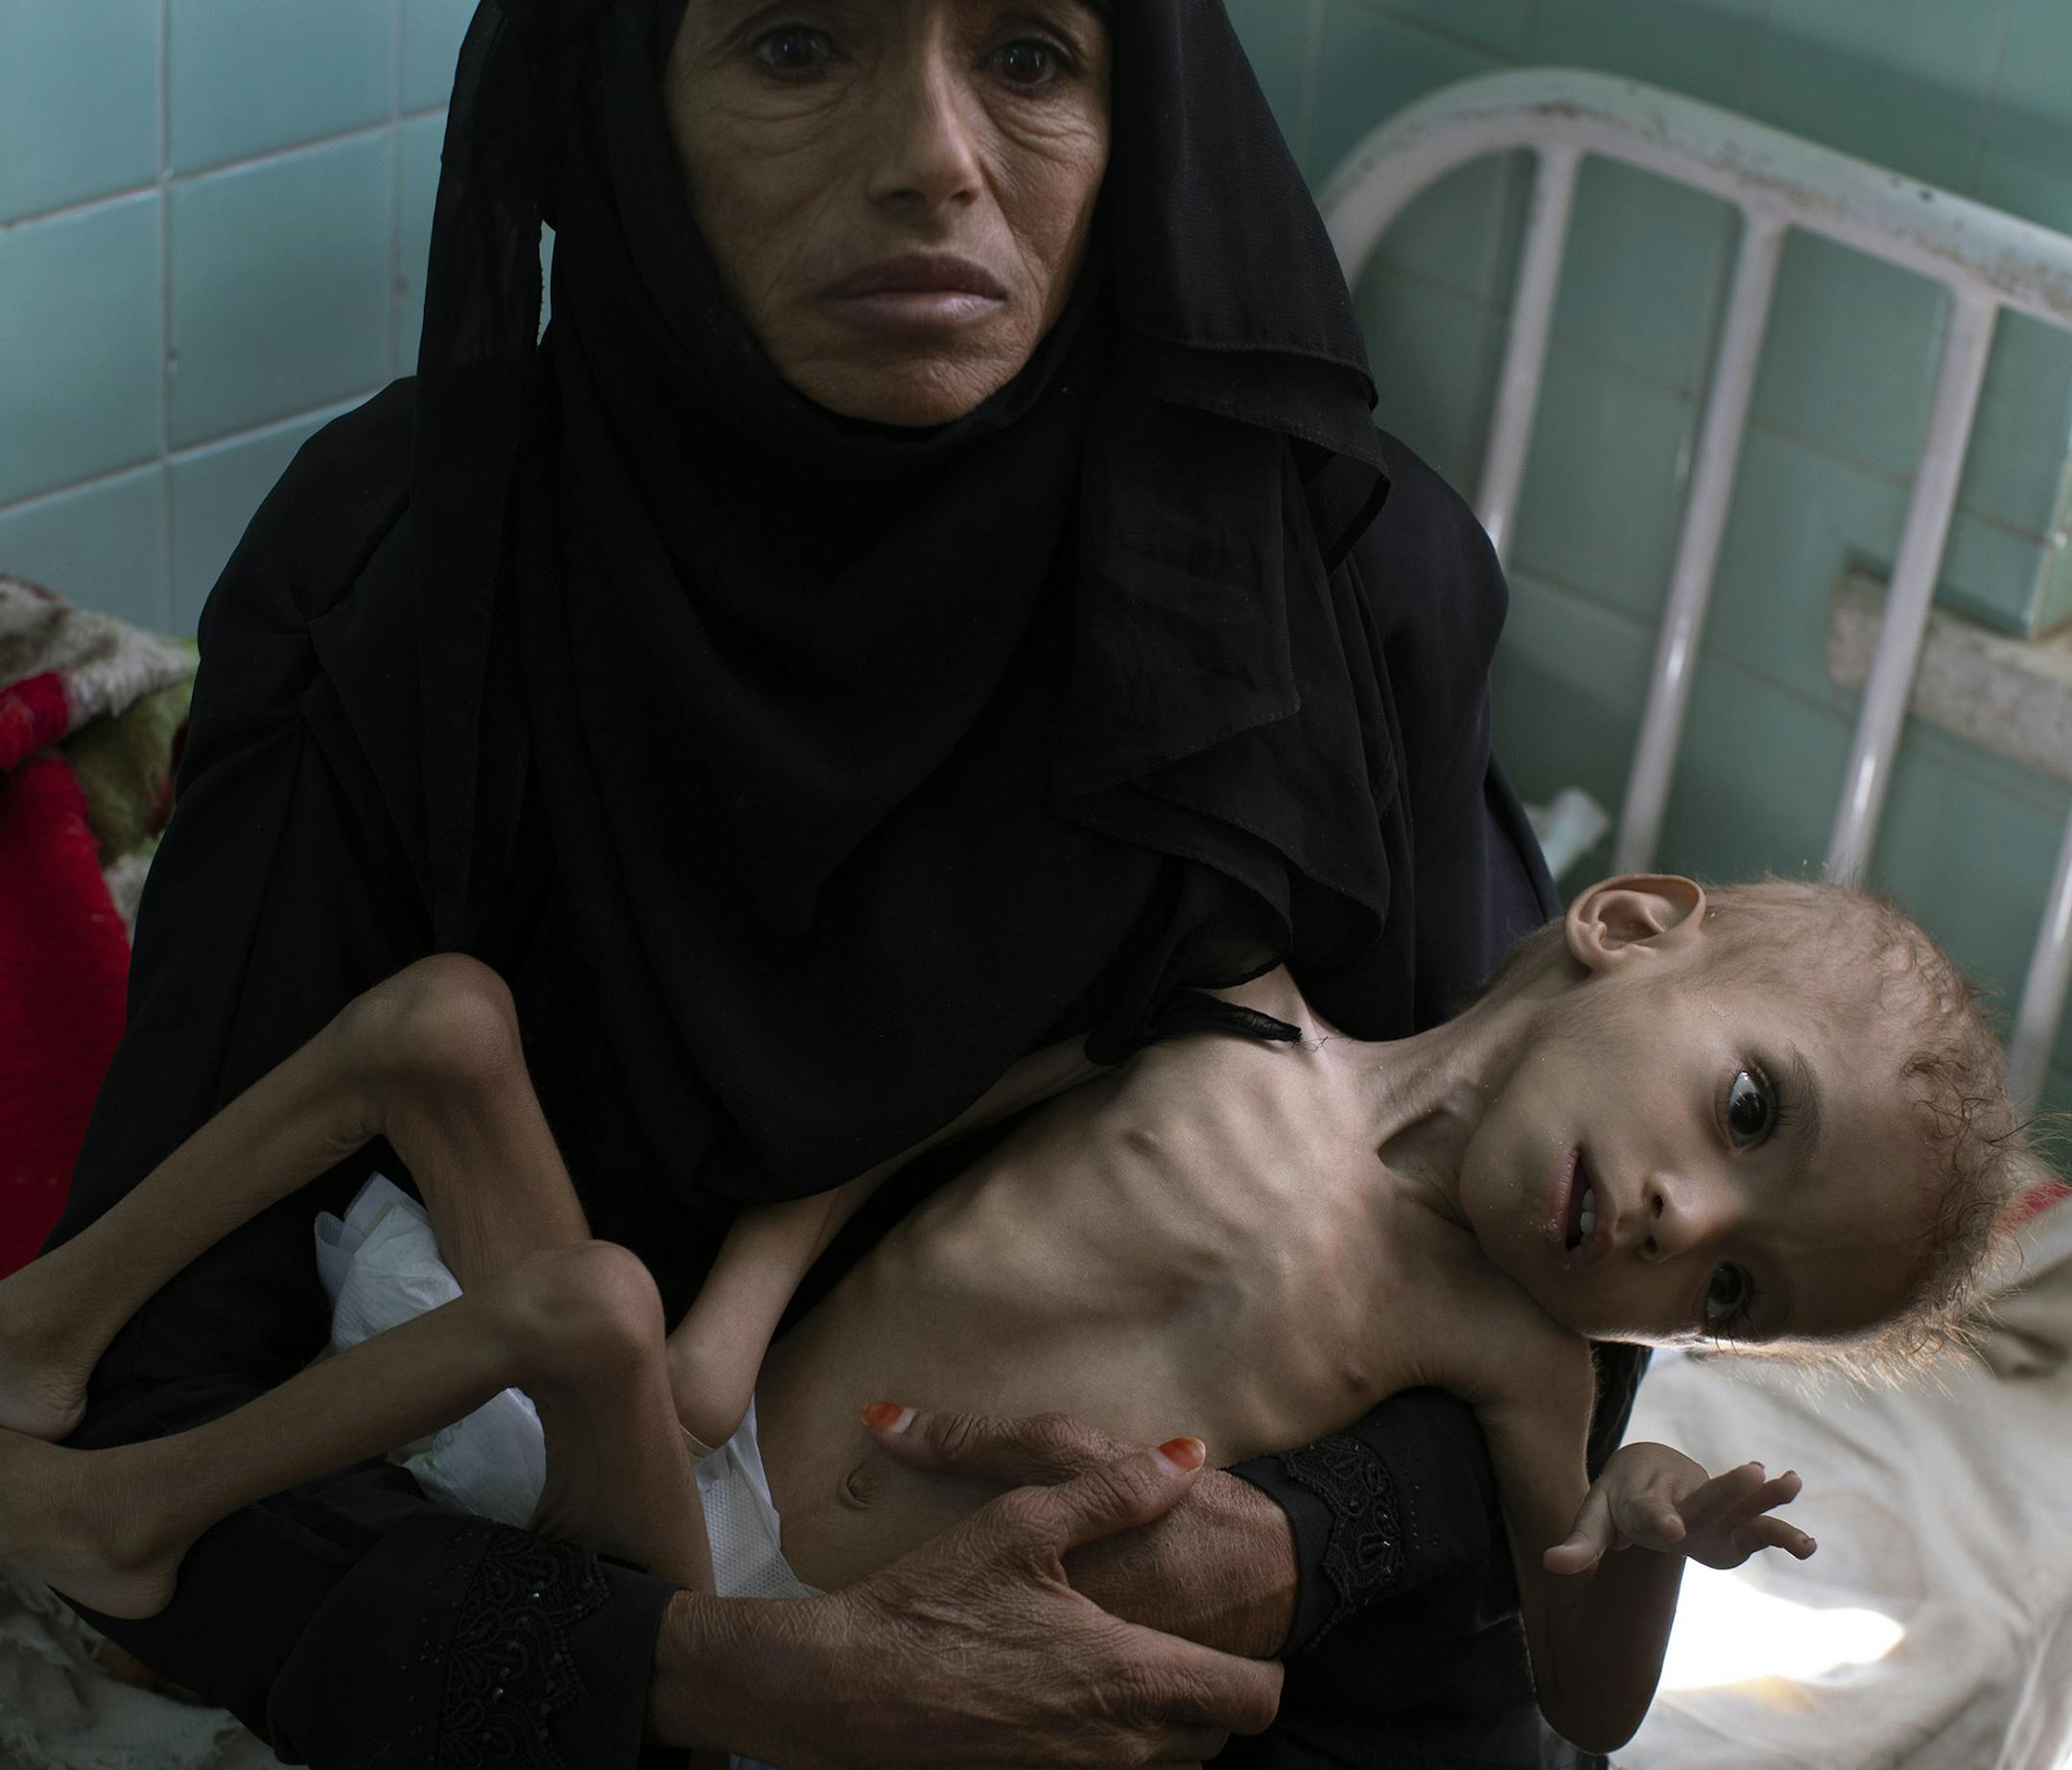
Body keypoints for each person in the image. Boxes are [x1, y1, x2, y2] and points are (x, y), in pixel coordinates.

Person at [29, 0, 1639, 1763]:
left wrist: (1293, 1539)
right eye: (798, 48)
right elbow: (164, 1402)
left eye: (1031, 57)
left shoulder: (1332, 574)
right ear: (628, 106)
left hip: (1233, 1690)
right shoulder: (405, 580)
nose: (935, 161)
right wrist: (720, 1664)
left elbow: (1591, 1245)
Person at [3, 874, 2036, 1759]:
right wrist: (741, 1310)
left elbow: (1580, 1693)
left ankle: (125, 1512)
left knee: (584, 1309)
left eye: (1737, 1286)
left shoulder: (1523, 1358)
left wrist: (1653, 1528)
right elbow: (894, 1122)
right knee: (446, 1025)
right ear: (1628, 924)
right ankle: (50, 1325)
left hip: (776, 1613)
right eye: (1748, 1107)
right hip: (688, 1428)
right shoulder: (1233, 1000)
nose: (1684, 1217)